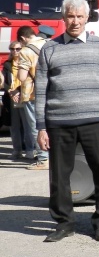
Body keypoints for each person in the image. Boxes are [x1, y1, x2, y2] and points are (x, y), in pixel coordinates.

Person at [35, 0, 99, 242]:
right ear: (63, 18)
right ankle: (64, 223)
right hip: (59, 122)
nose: (75, 21)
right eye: (70, 16)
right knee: (59, 176)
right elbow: (41, 90)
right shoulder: (49, 48)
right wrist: (41, 127)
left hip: (96, 121)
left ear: (87, 18)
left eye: (79, 16)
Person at [14, 26, 49, 170]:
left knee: (36, 125)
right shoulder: (49, 43)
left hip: (33, 93)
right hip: (51, 91)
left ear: (22, 38)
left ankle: (43, 158)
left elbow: (22, 77)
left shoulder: (26, 51)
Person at [5, 41, 28, 159]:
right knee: (14, 126)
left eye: (18, 49)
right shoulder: (7, 64)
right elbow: (4, 82)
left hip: (25, 95)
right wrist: (10, 91)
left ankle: (30, 150)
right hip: (12, 97)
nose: (15, 51)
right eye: (12, 49)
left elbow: (29, 79)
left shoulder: (26, 62)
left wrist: (18, 90)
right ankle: (17, 150)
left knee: (27, 125)